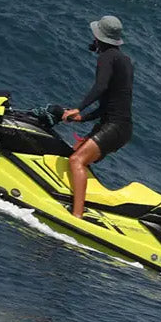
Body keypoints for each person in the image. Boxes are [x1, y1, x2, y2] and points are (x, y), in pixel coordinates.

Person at [61, 15, 134, 219]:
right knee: (75, 152)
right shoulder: (124, 61)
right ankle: (77, 200)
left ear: (97, 36)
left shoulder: (107, 58)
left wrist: (77, 108)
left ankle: (77, 216)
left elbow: (100, 88)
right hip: (119, 126)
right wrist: (82, 119)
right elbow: (109, 104)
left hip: (114, 127)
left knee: (76, 161)